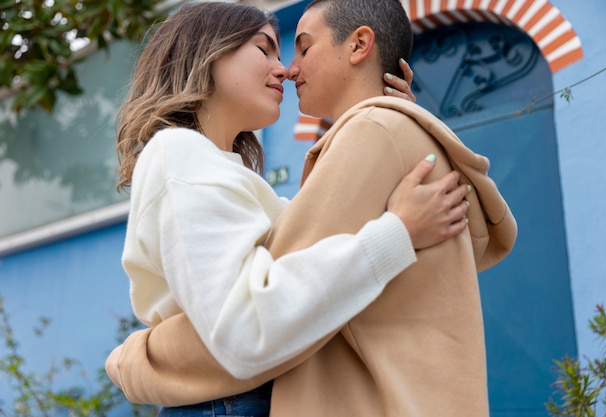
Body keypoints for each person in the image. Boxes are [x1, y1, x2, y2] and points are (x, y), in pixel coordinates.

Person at [106, 1, 475, 416]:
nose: (284, 69)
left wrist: (389, 134)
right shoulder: (180, 154)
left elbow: (311, 251)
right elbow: (244, 330)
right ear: (206, 53)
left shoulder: (224, 172)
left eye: (288, 53)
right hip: (229, 404)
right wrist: (397, 235)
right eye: (265, 50)